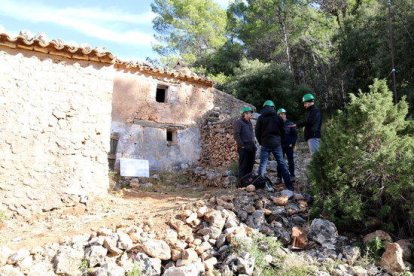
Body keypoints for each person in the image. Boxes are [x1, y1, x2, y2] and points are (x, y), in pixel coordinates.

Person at [255, 100, 294, 191]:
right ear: (273, 107)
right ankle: (289, 185)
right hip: (276, 144)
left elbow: (257, 132)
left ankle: (260, 185)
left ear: (264, 107)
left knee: (263, 164)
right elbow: (283, 131)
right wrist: (280, 141)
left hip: (265, 143)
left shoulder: (261, 118)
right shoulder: (278, 118)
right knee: (282, 163)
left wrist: (261, 142)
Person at [233, 106, 256, 180]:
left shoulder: (249, 123)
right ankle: (241, 182)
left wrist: (253, 144)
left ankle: (247, 181)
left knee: (250, 165)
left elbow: (251, 134)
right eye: (250, 113)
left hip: (251, 146)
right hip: (244, 147)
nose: (251, 114)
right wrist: (242, 145)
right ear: (245, 114)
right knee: (243, 165)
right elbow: (236, 134)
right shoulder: (238, 122)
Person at [276, 108, 297, 183]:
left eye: (284, 114)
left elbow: (295, 135)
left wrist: (292, 143)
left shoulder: (290, 123)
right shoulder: (277, 124)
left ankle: (292, 176)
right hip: (280, 145)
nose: (283, 115)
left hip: (289, 145)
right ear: (278, 115)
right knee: (280, 162)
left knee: (290, 161)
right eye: (281, 114)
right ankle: (279, 177)